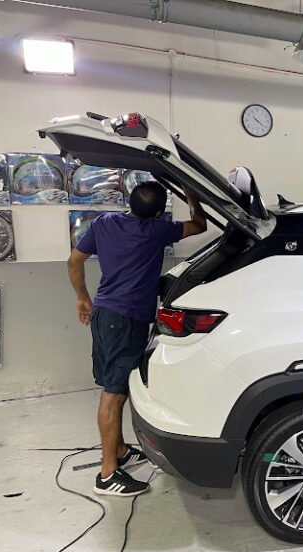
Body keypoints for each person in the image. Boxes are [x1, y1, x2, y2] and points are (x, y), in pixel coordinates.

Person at [67, 181, 207, 497]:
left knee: (113, 385)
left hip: (105, 314)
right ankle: (107, 474)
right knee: (114, 394)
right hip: (125, 320)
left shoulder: (103, 223)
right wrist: (191, 193)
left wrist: (82, 298)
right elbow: (199, 224)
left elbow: (74, 261)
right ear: (158, 213)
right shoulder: (157, 230)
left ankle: (119, 451)